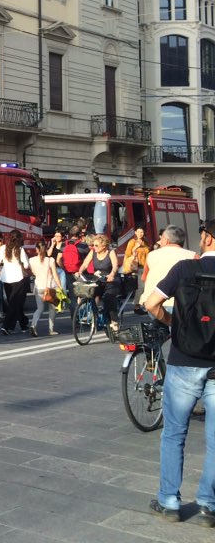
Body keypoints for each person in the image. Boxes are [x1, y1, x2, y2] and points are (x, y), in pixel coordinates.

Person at [144, 219, 215, 525]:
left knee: (174, 433)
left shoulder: (186, 268)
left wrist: (172, 323)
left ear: (208, 238)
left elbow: (151, 302)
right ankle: (207, 504)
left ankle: (170, 501)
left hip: (184, 359)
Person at [142, 226, 194, 311]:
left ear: (166, 240)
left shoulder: (151, 255)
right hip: (183, 304)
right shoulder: (193, 256)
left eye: (161, 238)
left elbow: (144, 278)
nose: (159, 241)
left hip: (154, 304)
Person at [77, 234, 120, 333]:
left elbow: (115, 266)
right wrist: (80, 270)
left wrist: (112, 274)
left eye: (96, 245)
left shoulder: (111, 252)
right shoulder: (93, 252)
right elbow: (85, 263)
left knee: (109, 298)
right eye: (93, 245)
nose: (94, 247)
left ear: (104, 246)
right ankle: (93, 314)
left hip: (111, 280)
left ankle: (114, 321)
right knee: (90, 292)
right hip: (98, 279)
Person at [0, 230, 30, 336]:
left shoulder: (3, 248)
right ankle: (6, 326)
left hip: (6, 278)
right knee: (15, 303)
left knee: (14, 302)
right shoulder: (20, 250)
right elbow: (26, 265)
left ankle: (23, 323)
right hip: (18, 278)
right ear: (19, 238)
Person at [29, 240, 62, 336]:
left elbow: (33, 273)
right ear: (46, 249)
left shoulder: (31, 260)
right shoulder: (50, 260)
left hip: (39, 287)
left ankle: (33, 325)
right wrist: (60, 286)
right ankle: (51, 330)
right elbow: (55, 275)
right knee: (52, 308)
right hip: (50, 287)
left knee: (39, 309)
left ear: (36, 249)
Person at [122, 226, 149, 304]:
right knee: (140, 287)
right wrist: (135, 248)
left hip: (144, 267)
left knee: (145, 287)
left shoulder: (145, 242)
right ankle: (137, 305)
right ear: (135, 233)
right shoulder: (132, 241)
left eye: (142, 232)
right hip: (136, 267)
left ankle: (139, 303)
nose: (140, 234)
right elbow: (127, 254)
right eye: (139, 232)